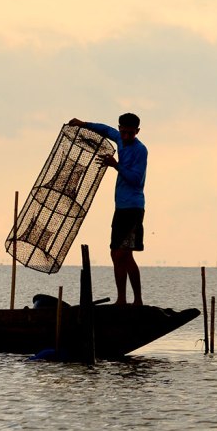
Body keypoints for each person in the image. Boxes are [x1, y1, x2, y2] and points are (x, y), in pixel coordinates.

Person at [68, 114, 147, 305]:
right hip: (120, 208)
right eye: (123, 132)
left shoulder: (140, 150)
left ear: (137, 131)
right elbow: (105, 129)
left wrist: (116, 165)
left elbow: (136, 180)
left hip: (134, 208)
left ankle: (137, 300)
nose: (126, 136)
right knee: (116, 254)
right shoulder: (119, 139)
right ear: (120, 129)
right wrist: (83, 124)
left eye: (130, 133)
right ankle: (122, 299)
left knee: (123, 254)